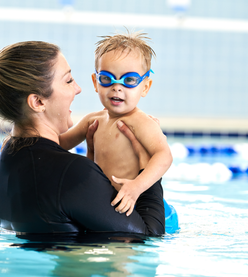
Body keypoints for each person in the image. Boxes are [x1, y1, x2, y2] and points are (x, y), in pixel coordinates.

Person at [0, 41, 165, 236]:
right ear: (38, 102)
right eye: (68, 81)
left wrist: (91, 167)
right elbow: (148, 235)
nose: (78, 89)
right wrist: (145, 171)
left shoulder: (8, 158)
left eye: (130, 80)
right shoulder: (73, 173)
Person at [59, 31, 173, 216]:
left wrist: (136, 187)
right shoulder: (93, 120)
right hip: (103, 204)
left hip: (131, 205)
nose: (117, 87)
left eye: (129, 80)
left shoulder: (141, 122)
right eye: (107, 78)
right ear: (95, 82)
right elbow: (60, 144)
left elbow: (164, 156)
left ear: (145, 87)